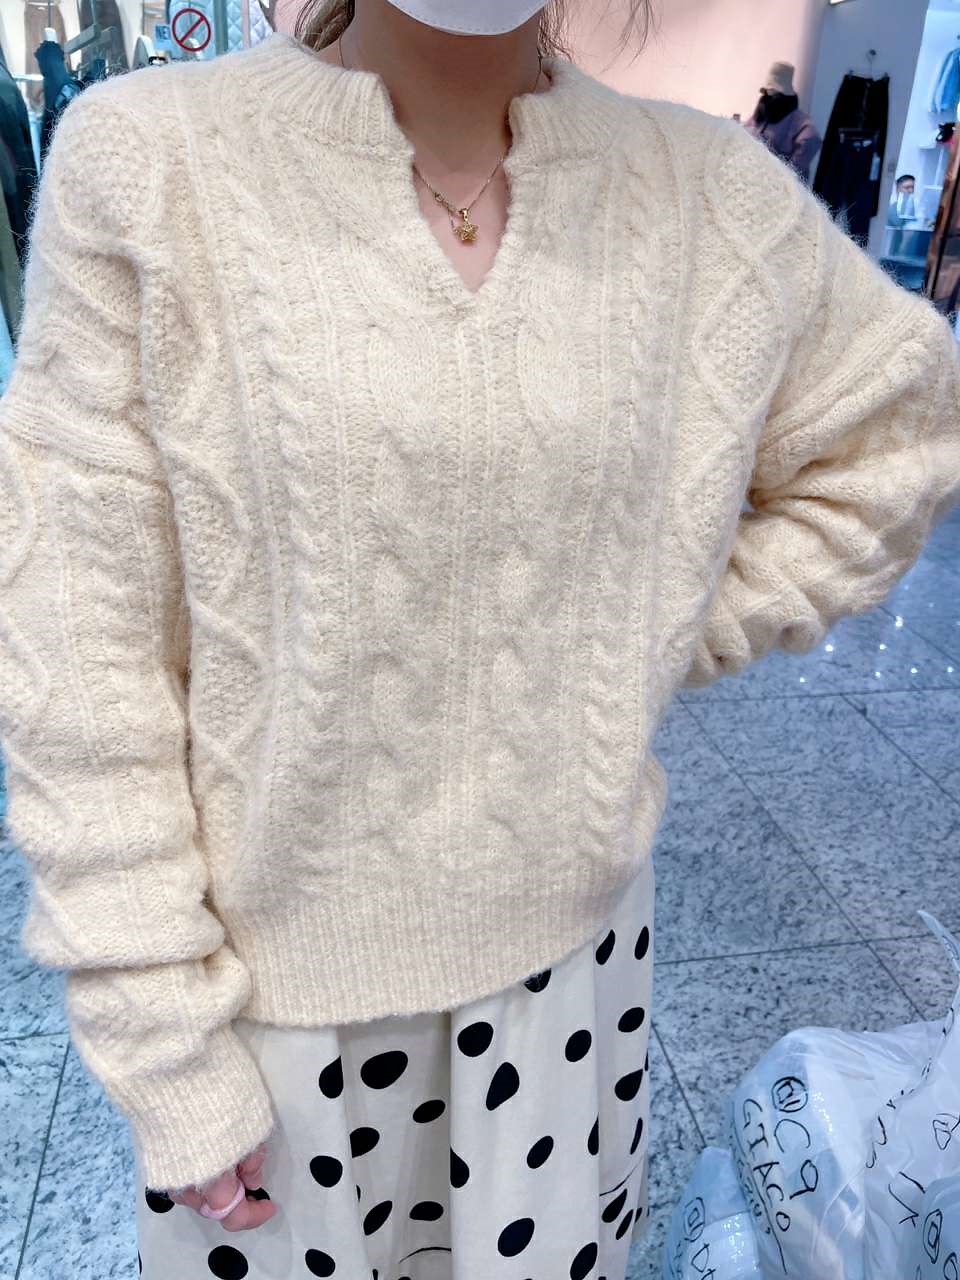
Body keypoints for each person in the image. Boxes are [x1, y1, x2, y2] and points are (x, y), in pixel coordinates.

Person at [1, 1, 959, 1276]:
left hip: (567, 996)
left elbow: (900, 437)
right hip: (269, 1024)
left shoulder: (707, 197)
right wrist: (156, 1033)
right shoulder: (148, 165)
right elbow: (81, 650)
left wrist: (647, 625)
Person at [745, 60, 822, 183]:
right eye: (767, 92)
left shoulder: (805, 130)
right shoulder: (759, 116)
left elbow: (791, 179)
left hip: (773, 189)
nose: (767, 97)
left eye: (772, 92)